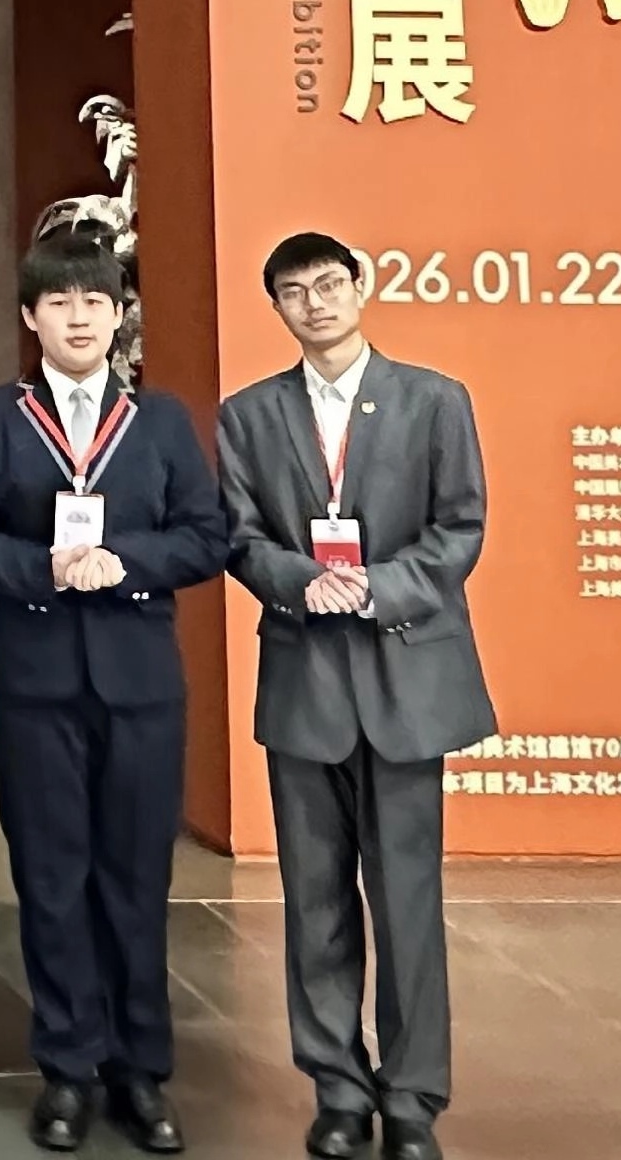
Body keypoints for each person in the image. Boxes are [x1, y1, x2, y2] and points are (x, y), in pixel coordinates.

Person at [0, 233, 230, 1154]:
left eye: (93, 302)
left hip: (139, 682)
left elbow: (205, 535)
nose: (77, 318)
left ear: (117, 316)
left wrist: (123, 561)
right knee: (51, 877)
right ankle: (66, 1067)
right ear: (31, 317)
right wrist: (43, 569)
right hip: (34, 681)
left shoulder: (160, 422)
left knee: (136, 877)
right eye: (58, 302)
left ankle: (139, 1070)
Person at [218, 234, 496, 1160]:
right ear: (277, 308)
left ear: (361, 288)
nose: (316, 303)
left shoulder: (433, 399)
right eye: (294, 292)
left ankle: (412, 1097)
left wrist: (378, 586)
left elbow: (460, 527)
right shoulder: (248, 415)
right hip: (305, 680)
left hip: (405, 677)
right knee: (314, 902)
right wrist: (304, 582)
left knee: (407, 900)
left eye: (330, 284)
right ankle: (336, 1089)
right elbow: (239, 535)